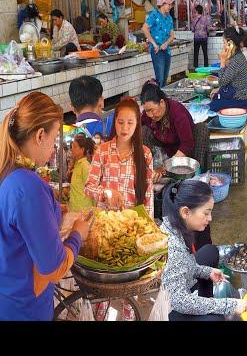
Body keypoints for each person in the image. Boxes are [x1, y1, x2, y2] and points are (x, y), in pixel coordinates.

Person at [0, 92, 91, 320]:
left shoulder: (7, 171)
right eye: (53, 142)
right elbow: (55, 268)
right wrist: (78, 234)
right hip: (25, 308)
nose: (53, 150)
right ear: (40, 135)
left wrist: (52, 211)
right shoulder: (27, 186)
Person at [161, 180, 247, 321]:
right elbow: (179, 301)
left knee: (210, 251)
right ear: (185, 212)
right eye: (206, 213)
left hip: (181, 283)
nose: (210, 218)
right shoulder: (173, 247)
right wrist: (227, 305)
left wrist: (208, 272)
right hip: (171, 308)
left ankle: (206, 302)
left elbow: (186, 265)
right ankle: (208, 312)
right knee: (215, 319)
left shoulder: (175, 225)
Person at [85, 98, 154, 217]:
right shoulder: (102, 151)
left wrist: (149, 225)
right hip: (106, 222)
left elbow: (148, 196)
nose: (125, 128)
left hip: (131, 225)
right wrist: (107, 193)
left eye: (130, 123)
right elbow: (88, 187)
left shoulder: (145, 154)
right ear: (115, 122)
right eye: (120, 122)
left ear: (137, 123)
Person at [140, 80, 195, 169]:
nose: (150, 115)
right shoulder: (148, 116)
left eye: (152, 110)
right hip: (163, 150)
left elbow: (187, 144)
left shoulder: (178, 114)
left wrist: (167, 166)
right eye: (147, 111)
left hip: (181, 154)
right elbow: (135, 125)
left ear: (161, 103)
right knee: (143, 131)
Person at [209, 27, 247, 113]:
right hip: (237, 97)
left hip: (242, 101)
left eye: (224, 42)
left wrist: (222, 61)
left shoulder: (237, 60)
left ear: (230, 43)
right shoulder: (236, 56)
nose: (223, 45)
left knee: (211, 107)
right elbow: (227, 78)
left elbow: (222, 82)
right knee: (215, 99)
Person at [142, 0, 175, 88]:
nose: (170, 6)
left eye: (170, 5)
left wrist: (166, 43)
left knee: (164, 78)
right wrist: (154, 44)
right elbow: (144, 28)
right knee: (159, 78)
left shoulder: (169, 18)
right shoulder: (154, 14)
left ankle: (162, 99)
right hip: (157, 51)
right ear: (162, 4)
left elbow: (172, 35)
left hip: (167, 50)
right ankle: (158, 99)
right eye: (168, 4)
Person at [68, 133, 96, 213]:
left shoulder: (85, 166)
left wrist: (92, 210)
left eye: (75, 147)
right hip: (74, 207)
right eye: (72, 146)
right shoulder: (76, 164)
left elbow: (91, 189)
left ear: (82, 149)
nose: (72, 149)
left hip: (83, 209)